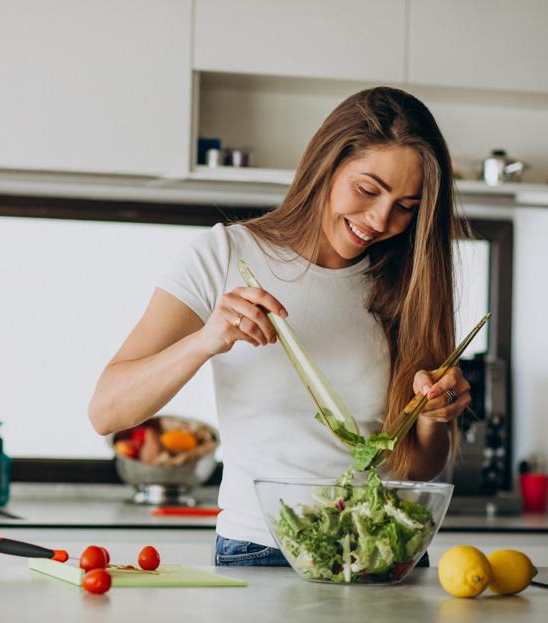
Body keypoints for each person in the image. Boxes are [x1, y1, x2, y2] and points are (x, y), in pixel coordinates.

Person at [88, 86, 471, 568]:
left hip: (386, 550)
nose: (379, 219)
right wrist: (205, 340)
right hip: (264, 548)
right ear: (326, 166)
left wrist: (436, 415)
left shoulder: (408, 283)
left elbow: (414, 465)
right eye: (367, 190)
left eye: (406, 206)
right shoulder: (226, 256)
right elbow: (107, 410)